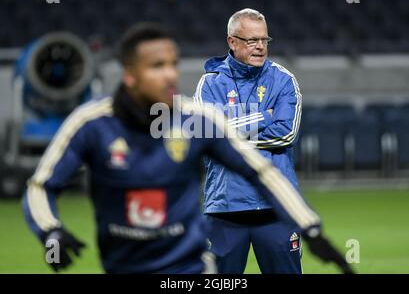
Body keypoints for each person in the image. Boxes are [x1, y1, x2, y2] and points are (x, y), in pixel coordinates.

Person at [22, 23, 352, 274]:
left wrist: (310, 227)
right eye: (156, 66)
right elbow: (40, 186)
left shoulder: (200, 120)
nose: (170, 74)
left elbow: (263, 173)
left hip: (188, 271)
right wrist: (51, 230)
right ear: (130, 75)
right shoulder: (90, 123)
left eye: (173, 63)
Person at [194, 8, 308, 274]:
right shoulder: (210, 83)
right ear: (232, 42)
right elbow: (207, 133)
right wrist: (265, 115)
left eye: (264, 40)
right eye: (251, 40)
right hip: (225, 206)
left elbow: (285, 133)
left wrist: (231, 129)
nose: (260, 47)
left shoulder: (284, 80)